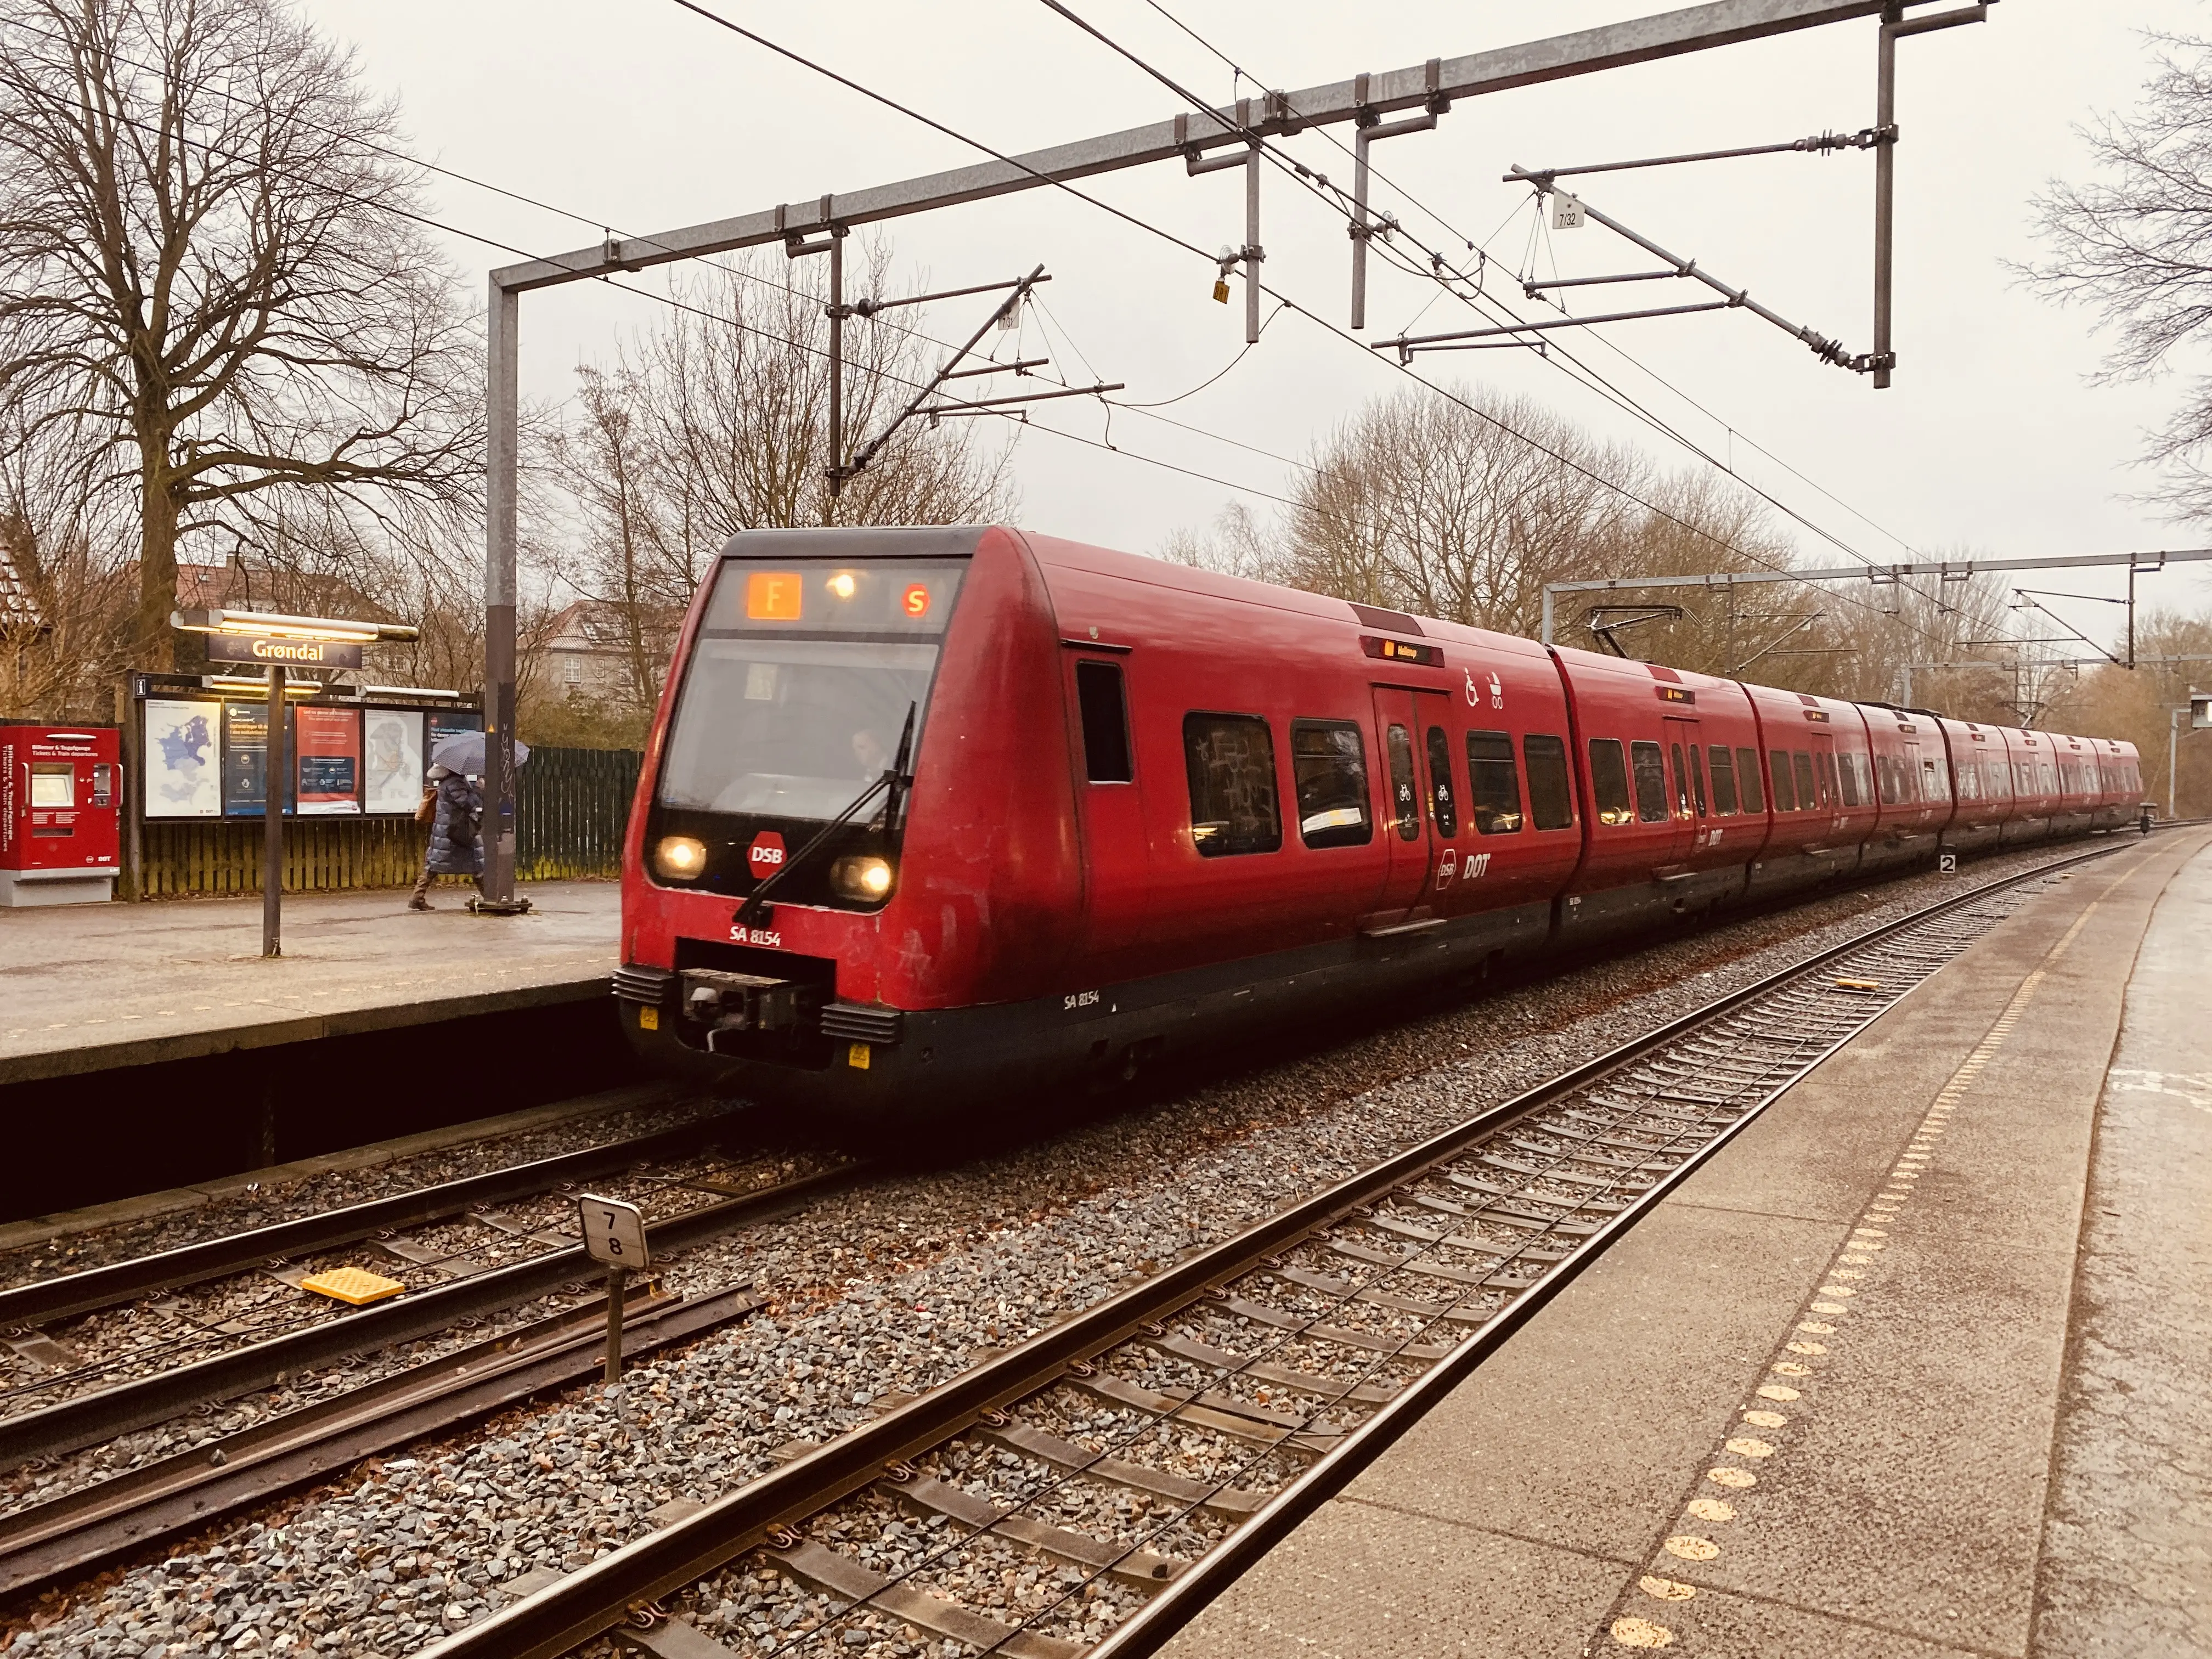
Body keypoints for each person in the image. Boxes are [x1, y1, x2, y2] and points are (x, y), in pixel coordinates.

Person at [409, 765, 484, 910]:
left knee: (434, 863)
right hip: (458, 830)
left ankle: (417, 897)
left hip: (447, 830)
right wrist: (478, 789)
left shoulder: (449, 781)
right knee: (477, 862)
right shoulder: (455, 783)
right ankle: (489, 897)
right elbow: (466, 804)